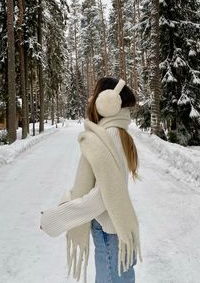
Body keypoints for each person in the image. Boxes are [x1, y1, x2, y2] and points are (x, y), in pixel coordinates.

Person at [40, 77, 142, 283]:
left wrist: (57, 217)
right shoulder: (116, 133)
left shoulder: (110, 135)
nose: (91, 100)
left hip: (109, 233)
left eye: (94, 95)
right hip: (113, 230)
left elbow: (104, 196)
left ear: (108, 100)